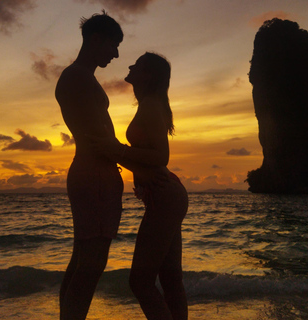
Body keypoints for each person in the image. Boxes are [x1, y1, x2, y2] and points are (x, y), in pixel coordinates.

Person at [92, 52, 188, 320]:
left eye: (138, 64)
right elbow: (148, 160)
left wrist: (117, 150)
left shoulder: (151, 106)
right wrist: (121, 157)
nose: (131, 65)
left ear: (148, 75)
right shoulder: (149, 104)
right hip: (165, 195)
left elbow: (161, 157)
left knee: (140, 282)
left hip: (166, 196)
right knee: (170, 281)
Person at [54, 11, 124, 320]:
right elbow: (98, 138)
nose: (116, 53)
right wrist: (146, 165)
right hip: (94, 173)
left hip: (94, 170)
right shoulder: (77, 77)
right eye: (113, 44)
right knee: (91, 265)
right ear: (97, 39)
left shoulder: (81, 76)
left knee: (83, 261)